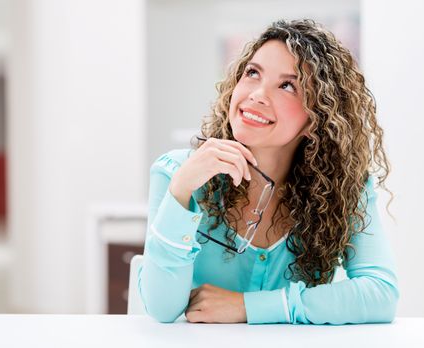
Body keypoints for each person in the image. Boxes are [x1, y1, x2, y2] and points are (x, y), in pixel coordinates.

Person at [138, 19, 399, 324]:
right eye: (252, 73)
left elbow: (380, 294)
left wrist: (248, 307)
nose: (257, 95)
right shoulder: (176, 173)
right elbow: (161, 308)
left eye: (288, 86)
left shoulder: (343, 187)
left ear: (317, 119)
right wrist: (180, 191)